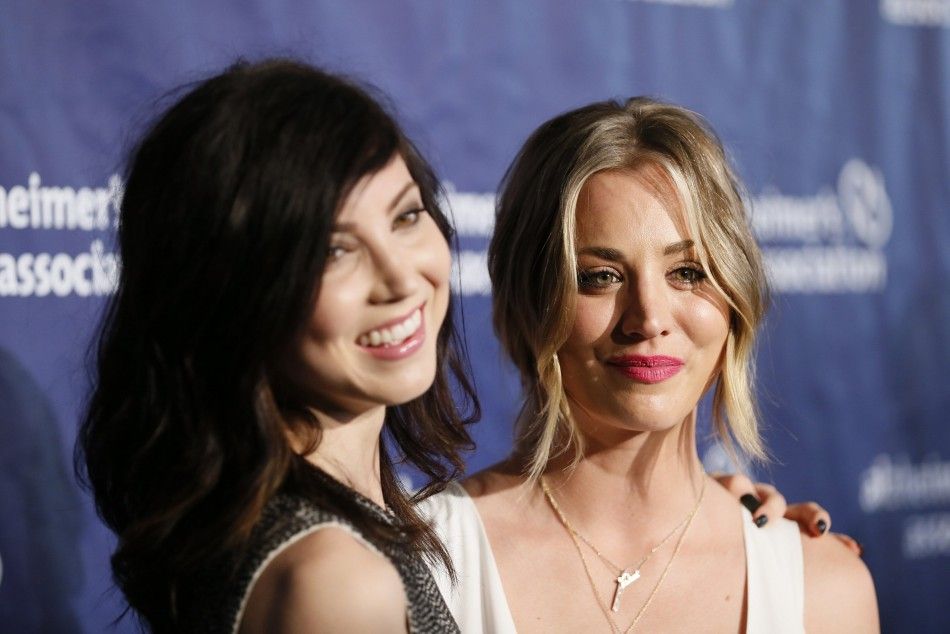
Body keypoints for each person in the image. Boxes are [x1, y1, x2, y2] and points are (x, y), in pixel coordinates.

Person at [421, 97, 878, 633]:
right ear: (530, 300)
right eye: (601, 275)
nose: (650, 318)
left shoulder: (823, 588)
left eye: (688, 271)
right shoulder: (425, 563)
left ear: (734, 298)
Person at [76, 59, 478, 633]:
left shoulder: (275, 519)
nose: (400, 279)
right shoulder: (335, 580)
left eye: (407, 216)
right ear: (232, 293)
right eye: (332, 252)